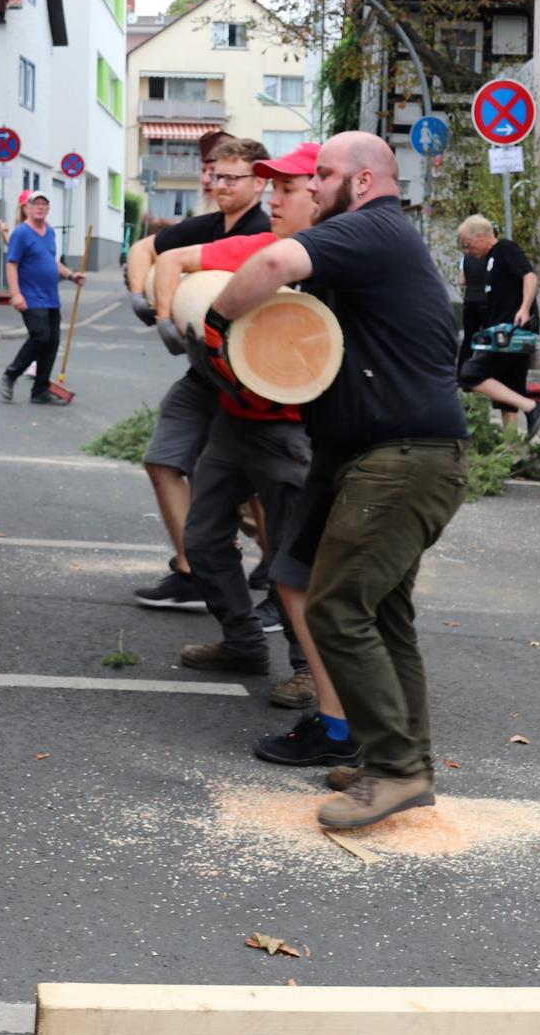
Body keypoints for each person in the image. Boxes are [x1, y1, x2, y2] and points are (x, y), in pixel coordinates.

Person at [205, 131, 470, 829]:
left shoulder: (373, 227)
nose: (311, 186)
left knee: (334, 607)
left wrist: (217, 316)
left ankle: (398, 768)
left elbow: (272, 259)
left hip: (402, 458)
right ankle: (402, 758)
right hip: (389, 455)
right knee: (383, 613)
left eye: (321, 175)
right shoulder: (369, 242)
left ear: (361, 181)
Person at [151, 145, 347, 734]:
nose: (274, 201)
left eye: (286, 190)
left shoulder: (340, 263)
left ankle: (307, 670)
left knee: (292, 561)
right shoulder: (258, 247)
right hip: (236, 422)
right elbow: (176, 262)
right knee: (205, 541)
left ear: (319, 194)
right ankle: (242, 640)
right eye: (273, 189)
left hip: (291, 435)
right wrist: (172, 316)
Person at [126, 139, 271, 609]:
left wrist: (167, 311)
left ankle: (280, 576)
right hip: (202, 375)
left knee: (259, 486)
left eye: (233, 178)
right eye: (217, 176)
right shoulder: (207, 225)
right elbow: (145, 249)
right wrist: (139, 294)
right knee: (163, 460)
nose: (221, 185)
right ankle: (193, 572)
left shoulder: (261, 230)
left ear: (259, 182)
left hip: (248, 379)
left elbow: (173, 261)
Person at [457, 216, 540, 438]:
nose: (468, 252)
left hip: (513, 331)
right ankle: (512, 453)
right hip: (501, 332)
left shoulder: (505, 249)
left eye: (468, 245)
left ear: (481, 236)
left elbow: (529, 276)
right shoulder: (490, 259)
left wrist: (525, 309)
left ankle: (533, 407)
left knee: (468, 376)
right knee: (507, 395)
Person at [0, 191, 85, 406]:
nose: (40, 207)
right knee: (40, 336)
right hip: (30, 296)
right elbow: (12, 264)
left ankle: (39, 391)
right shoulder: (21, 233)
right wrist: (16, 294)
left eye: (44, 204)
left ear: (48, 209)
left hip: (50, 297)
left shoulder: (50, 233)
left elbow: (52, 261)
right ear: (27, 208)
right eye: (35, 204)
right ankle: (11, 373)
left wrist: (72, 275)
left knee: (52, 342)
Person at [456, 216, 489, 374]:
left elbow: (461, 280)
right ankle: (487, 374)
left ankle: (462, 373)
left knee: (469, 338)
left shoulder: (466, 258)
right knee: (489, 337)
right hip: (486, 300)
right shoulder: (487, 256)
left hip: (470, 300)